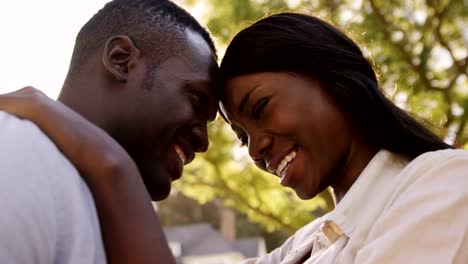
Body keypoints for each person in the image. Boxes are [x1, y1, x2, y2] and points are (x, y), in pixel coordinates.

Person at [1, 12, 467, 264]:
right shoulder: (303, 246)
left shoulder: (445, 186)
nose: (255, 149)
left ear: (334, 78)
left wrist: (109, 164)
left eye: (260, 109)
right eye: (242, 134)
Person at [0, 0, 218, 263]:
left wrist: (116, 168)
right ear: (121, 60)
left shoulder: (118, 223)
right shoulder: (18, 152)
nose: (203, 141)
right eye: (196, 99)